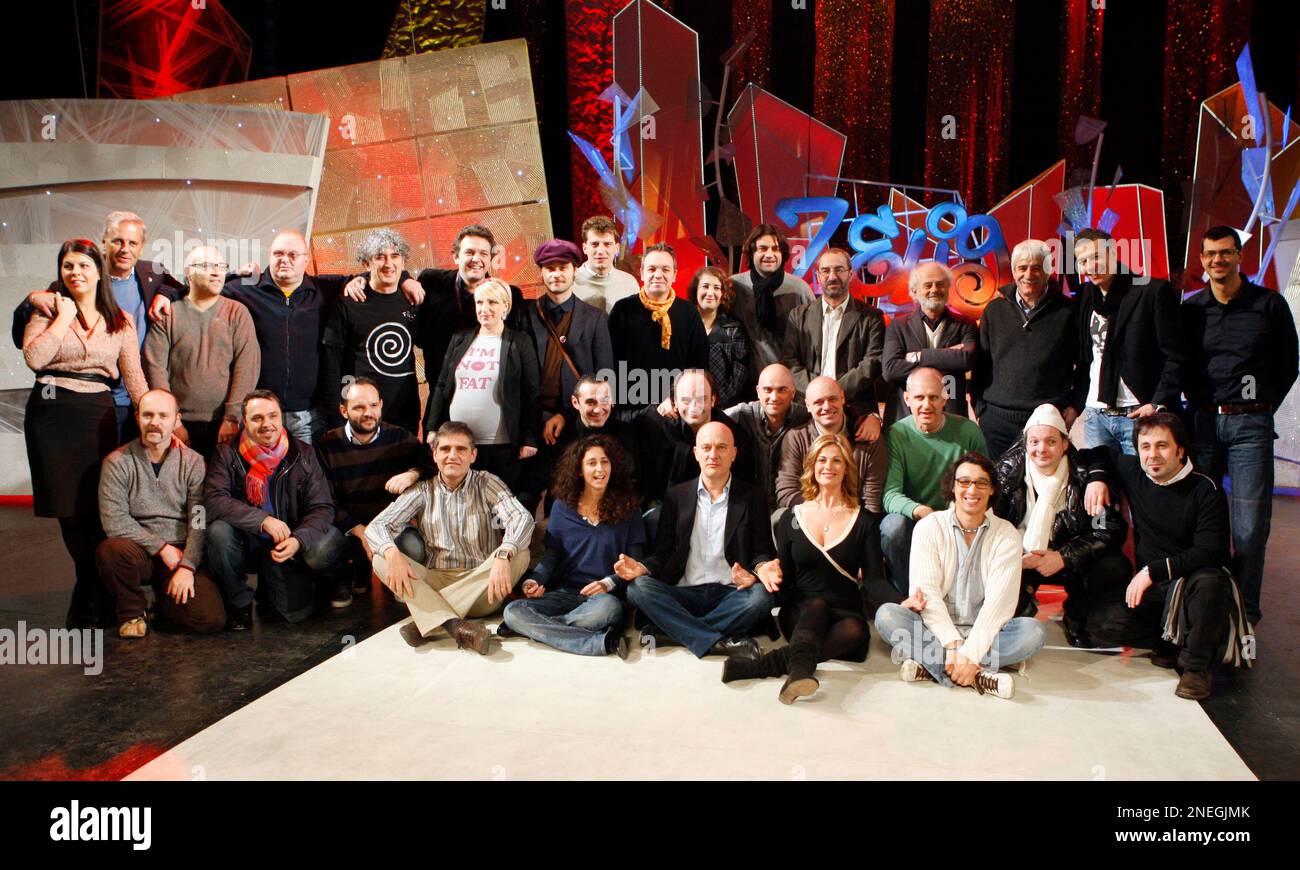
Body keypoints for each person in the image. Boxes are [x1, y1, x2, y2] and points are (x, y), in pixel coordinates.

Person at [23, 238, 149, 628]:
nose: (75, 273)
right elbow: (35, 358)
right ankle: (92, 591)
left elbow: (135, 379)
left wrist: (157, 420)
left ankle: (91, 595)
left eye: (83, 266)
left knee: (97, 511)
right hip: (51, 415)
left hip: (97, 416)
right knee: (69, 513)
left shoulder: (121, 320)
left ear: (99, 272)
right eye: (68, 266)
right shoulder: (45, 311)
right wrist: (62, 316)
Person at [1085, 413, 1253, 700]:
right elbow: (1098, 453)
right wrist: (1097, 478)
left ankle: (1195, 668)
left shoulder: (1205, 488)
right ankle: (1171, 642)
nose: (1152, 455)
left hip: (1193, 584)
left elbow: (1211, 552)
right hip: (1158, 590)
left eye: (1162, 446)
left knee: (1212, 581)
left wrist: (1153, 571)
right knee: (1100, 625)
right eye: (1145, 446)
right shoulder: (1136, 472)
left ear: (1180, 450)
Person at [1182, 225, 1298, 625]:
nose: (1218, 260)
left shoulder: (1268, 305)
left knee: (1249, 529)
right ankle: (1205, 607)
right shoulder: (1192, 309)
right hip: (1203, 428)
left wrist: (1261, 406)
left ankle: (1244, 612)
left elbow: (1288, 364)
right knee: (1204, 523)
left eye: (1226, 253)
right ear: (1201, 260)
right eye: (1211, 254)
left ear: (1238, 256)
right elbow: (1181, 365)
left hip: (1251, 426)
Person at [721, 434, 887, 704]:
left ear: (846, 468)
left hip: (844, 612)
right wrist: (756, 578)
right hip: (801, 612)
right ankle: (797, 670)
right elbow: (784, 578)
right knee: (817, 605)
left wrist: (902, 602)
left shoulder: (864, 520)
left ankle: (767, 666)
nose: (828, 466)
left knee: (857, 629)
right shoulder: (791, 518)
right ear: (812, 466)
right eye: (822, 460)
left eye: (836, 460)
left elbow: (875, 579)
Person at [875, 453, 1045, 700]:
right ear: (952, 487)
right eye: (964, 482)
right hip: (935, 630)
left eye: (981, 483)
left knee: (1033, 633)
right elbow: (927, 595)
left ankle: (932, 667)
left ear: (991, 490)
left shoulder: (1007, 534)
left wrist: (971, 652)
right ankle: (979, 677)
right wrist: (954, 646)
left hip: (987, 632)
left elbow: (1000, 606)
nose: (971, 489)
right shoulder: (929, 527)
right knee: (888, 616)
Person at [12, 212, 187, 443]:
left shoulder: (152, 273)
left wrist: (164, 295)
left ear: (142, 247)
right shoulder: (74, 281)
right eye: (117, 241)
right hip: (77, 400)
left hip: (132, 398)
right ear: (103, 242)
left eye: (132, 243)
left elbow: (179, 286)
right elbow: (31, 341)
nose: (125, 249)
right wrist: (32, 298)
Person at [366, 421, 534, 654]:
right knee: (380, 558)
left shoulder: (486, 482)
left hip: (483, 587)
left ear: (473, 455)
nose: (452, 455)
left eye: (461, 449)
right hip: (436, 580)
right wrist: (391, 551)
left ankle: (426, 620)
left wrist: (504, 554)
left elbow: (521, 518)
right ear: (434, 455)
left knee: (520, 553)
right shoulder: (423, 491)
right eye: (445, 449)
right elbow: (377, 526)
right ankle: (454, 626)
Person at [619, 422, 780, 659]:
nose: (713, 454)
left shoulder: (753, 497)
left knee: (762, 597)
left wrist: (757, 572)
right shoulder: (677, 496)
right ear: (696, 453)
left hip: (730, 593)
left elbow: (762, 552)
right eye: (706, 447)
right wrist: (642, 567)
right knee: (638, 588)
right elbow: (662, 553)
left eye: (721, 447)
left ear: (734, 453)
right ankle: (717, 639)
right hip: (685, 591)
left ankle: (675, 632)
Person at [203, 390, 344, 628]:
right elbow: (213, 500)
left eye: (273, 416)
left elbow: (322, 507)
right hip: (248, 540)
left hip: (288, 542)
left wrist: (299, 540)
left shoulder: (303, 453)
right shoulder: (227, 453)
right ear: (244, 422)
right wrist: (263, 520)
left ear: (281, 418)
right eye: (257, 418)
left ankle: (319, 582)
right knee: (218, 532)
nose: (266, 424)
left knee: (295, 614)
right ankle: (240, 604)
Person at [992, 404, 1129, 643]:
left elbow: (1108, 530)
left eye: (1051, 442)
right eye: (1034, 442)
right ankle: (1020, 606)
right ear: (1025, 444)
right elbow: (990, 526)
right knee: (1007, 630)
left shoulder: (1086, 476)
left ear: (1065, 444)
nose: (1041, 449)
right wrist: (1015, 555)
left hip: (1067, 558)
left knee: (1113, 566)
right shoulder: (1005, 474)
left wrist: (1063, 557)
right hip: (1021, 557)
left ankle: (1078, 615)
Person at [96, 389, 224, 637]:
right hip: (139, 550)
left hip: (180, 553)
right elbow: (114, 520)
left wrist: (187, 566)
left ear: (176, 420)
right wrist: (161, 548)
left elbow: (198, 520)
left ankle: (165, 604)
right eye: (147, 415)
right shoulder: (116, 462)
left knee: (210, 620)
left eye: (163, 415)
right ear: (137, 418)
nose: (154, 422)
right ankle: (132, 612)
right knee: (110, 550)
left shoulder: (194, 462)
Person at [502, 435, 646, 657]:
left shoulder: (628, 507)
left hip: (604, 598)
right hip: (565, 593)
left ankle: (536, 629)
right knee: (513, 611)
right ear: (579, 470)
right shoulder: (562, 507)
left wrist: (609, 583)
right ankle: (599, 642)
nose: (600, 468)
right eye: (592, 463)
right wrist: (535, 580)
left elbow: (635, 562)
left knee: (608, 611)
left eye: (605, 462)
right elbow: (553, 555)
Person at [316, 378, 435, 606]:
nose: (368, 412)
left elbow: (433, 467)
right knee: (318, 551)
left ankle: (393, 579)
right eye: (359, 407)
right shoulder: (325, 445)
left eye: (373, 405)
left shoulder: (400, 438)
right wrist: (362, 533)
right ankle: (346, 574)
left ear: (381, 404)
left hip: (389, 527)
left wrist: (413, 473)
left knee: (414, 548)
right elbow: (324, 500)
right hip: (347, 529)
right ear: (344, 410)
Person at [518, 239, 614, 512]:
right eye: (549, 269)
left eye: (563, 267)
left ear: (574, 271)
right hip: (533, 422)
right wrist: (543, 417)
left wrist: (566, 414)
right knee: (524, 494)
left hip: (575, 423)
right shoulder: (526, 314)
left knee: (564, 497)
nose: (556, 274)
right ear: (542, 273)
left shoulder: (594, 318)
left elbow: (603, 377)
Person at [1073, 228, 1188, 455]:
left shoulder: (1151, 290)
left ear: (1114, 253)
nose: (1090, 266)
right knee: (1101, 487)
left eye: (1096, 257)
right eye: (1083, 261)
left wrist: (1157, 403)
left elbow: (1177, 354)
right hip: (1096, 415)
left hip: (1139, 414)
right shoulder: (1086, 295)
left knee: (1143, 488)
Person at [972, 239, 1088, 459]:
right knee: (999, 489)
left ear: (1048, 270)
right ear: (1014, 272)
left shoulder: (1068, 312)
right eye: (1022, 268)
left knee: (1046, 489)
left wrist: (1075, 406)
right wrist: (980, 408)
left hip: (1049, 419)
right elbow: (982, 363)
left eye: (1036, 267)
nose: (1028, 275)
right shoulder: (994, 310)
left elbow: (1084, 364)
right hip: (997, 422)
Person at [142, 245, 260, 459]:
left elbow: (247, 366)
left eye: (220, 266)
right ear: (188, 273)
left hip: (225, 424)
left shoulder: (237, 312)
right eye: (207, 266)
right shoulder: (168, 313)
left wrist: (232, 417)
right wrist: (172, 421)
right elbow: (155, 368)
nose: (216, 272)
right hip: (178, 424)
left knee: (219, 488)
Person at [423, 277, 541, 491]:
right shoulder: (459, 338)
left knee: (499, 509)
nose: (484, 308)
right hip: (460, 447)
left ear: (506, 305)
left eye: (492, 302)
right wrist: (432, 428)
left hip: (502, 446)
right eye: (479, 302)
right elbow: (441, 385)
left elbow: (531, 392)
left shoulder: (519, 341)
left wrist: (530, 438)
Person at [880, 368, 988, 593]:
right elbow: (890, 495)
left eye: (933, 397)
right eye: (919, 397)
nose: (926, 405)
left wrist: (955, 516)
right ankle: (909, 596)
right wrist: (921, 511)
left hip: (958, 516)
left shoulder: (969, 432)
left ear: (945, 398)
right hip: (916, 517)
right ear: (907, 399)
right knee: (892, 528)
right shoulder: (896, 434)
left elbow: (984, 485)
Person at [320, 228, 423, 434]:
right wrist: (335, 413)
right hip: (361, 412)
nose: (388, 263)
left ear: (403, 262)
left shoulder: (414, 299)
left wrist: (406, 278)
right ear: (367, 264)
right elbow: (332, 362)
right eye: (379, 257)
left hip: (404, 411)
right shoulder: (349, 302)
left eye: (395, 256)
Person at [412, 224, 529, 389]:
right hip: (442, 390)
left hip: (491, 392)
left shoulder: (510, 295)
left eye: (483, 253)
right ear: (456, 257)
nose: (476, 259)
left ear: (491, 259)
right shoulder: (431, 282)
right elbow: (419, 336)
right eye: (469, 252)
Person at [607, 242, 709, 420]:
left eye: (665, 269)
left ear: (675, 275)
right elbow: (610, 363)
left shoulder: (688, 312)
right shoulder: (622, 310)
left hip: (676, 410)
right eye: (652, 269)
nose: (658, 275)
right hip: (631, 412)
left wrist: (675, 399)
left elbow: (698, 366)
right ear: (642, 273)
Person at [782, 247, 885, 416]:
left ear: (850, 274)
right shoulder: (798, 316)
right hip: (807, 408)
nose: (832, 276)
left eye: (839, 270)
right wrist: (818, 394)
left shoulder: (872, 317)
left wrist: (835, 393)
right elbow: (790, 362)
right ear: (818, 276)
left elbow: (872, 363)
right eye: (826, 270)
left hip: (855, 409)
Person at [640, 369, 758, 504]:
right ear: (674, 402)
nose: (694, 406)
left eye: (701, 398)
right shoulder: (658, 424)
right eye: (685, 399)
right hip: (664, 506)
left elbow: (745, 486)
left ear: (713, 400)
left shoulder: (732, 435)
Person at [880, 262, 977, 424]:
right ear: (914, 291)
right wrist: (948, 358)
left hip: (952, 416)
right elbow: (890, 370)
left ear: (948, 289)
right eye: (928, 285)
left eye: (940, 284)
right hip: (905, 418)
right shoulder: (898, 326)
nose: (934, 290)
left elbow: (966, 359)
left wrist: (919, 356)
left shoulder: (966, 324)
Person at [775, 377, 887, 515]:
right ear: (808, 406)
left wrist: (848, 523)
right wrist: (823, 514)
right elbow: (787, 491)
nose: (827, 407)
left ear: (842, 398)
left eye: (832, 399)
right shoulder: (795, 437)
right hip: (809, 516)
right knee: (778, 517)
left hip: (855, 519)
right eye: (818, 402)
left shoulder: (870, 437)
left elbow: (872, 501)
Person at [729, 223, 815, 371]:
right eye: (762, 248)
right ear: (752, 253)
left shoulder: (800, 289)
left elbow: (814, 338)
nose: (769, 254)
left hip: (790, 380)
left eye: (776, 249)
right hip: (745, 382)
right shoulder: (733, 286)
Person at [724, 363, 810, 505]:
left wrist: (859, 422)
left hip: (791, 506)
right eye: (768, 390)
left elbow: (832, 418)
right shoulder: (742, 414)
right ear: (758, 391)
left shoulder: (804, 417)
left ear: (793, 392)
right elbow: (708, 420)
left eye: (782, 390)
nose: (774, 397)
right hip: (748, 505)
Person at [691, 266, 752, 409]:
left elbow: (738, 377)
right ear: (696, 290)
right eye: (705, 286)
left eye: (717, 288)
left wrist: (713, 403)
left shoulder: (734, 330)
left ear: (723, 294)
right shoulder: (683, 325)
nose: (710, 293)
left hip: (724, 408)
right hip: (687, 406)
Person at [572, 215, 641, 313]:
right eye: (594, 244)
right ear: (585, 248)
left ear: (617, 248)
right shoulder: (570, 282)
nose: (600, 251)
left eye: (607, 244)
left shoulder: (629, 283)